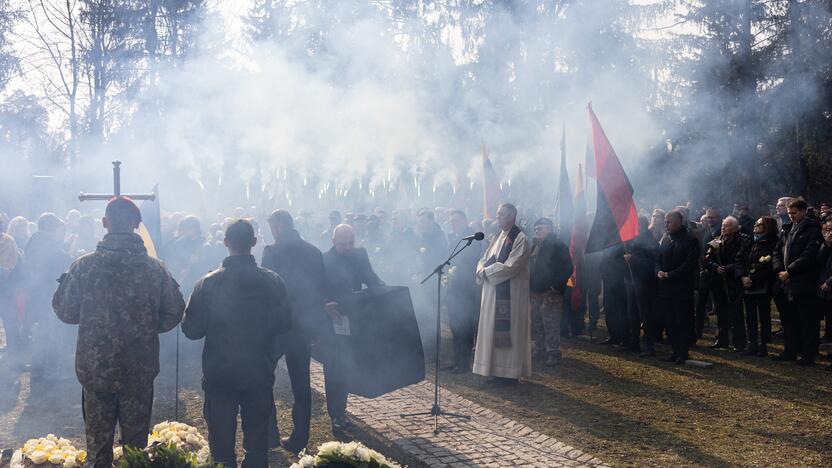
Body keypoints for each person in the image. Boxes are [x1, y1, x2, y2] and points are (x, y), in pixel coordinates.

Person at [52, 198, 185, 468]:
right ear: (137, 226)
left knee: (98, 449)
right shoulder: (154, 269)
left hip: (96, 371)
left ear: (105, 223)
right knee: (136, 451)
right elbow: (174, 312)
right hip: (138, 370)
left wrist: (92, 320)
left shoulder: (83, 267)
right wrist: (146, 326)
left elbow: (65, 311)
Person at [182, 219, 292, 467]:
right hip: (258, 371)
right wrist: (271, 354)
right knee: (256, 448)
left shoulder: (207, 283)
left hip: (220, 374)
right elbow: (285, 324)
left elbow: (192, 330)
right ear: (254, 243)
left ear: (225, 243)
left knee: (221, 450)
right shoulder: (273, 281)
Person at [261, 210, 329, 454]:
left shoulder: (271, 251)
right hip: (303, 327)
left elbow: (267, 291)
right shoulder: (313, 251)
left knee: (263, 378)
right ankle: (300, 438)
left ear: (278, 227)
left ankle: (270, 435)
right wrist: (317, 327)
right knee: (302, 384)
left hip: (278, 327)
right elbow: (322, 291)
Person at [322, 224, 384, 430]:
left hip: (357, 319)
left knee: (349, 366)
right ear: (333, 242)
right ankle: (336, 415)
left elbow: (371, 278)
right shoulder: (324, 259)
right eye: (343, 244)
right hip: (335, 320)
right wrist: (324, 304)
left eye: (351, 243)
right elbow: (316, 288)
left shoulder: (359, 255)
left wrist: (387, 292)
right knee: (334, 369)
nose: (348, 247)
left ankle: (344, 408)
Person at [473, 203, 531, 384]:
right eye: (497, 214)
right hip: (491, 292)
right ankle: (494, 371)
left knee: (509, 332)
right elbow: (484, 258)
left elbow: (512, 266)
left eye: (501, 215)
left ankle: (508, 374)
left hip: (510, 295)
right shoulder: (497, 236)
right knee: (490, 330)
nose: (497, 218)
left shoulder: (520, 238)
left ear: (512, 216)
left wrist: (486, 272)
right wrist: (481, 269)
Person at [773, 198, 823, 365]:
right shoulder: (787, 229)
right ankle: (790, 350)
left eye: (794, 213)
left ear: (803, 211)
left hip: (804, 281)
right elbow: (777, 251)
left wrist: (790, 271)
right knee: (789, 319)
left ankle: (808, 354)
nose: (791, 217)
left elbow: (808, 255)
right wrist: (779, 269)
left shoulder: (813, 229)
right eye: (789, 213)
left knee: (807, 320)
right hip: (785, 282)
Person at [26, 213, 73, 377]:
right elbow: (60, 263)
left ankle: (38, 370)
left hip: (37, 293)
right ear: (50, 227)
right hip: (47, 294)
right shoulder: (46, 243)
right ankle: (50, 371)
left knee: (43, 332)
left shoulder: (35, 241)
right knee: (51, 332)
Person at [655, 210, 700, 364]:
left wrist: (670, 275)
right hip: (665, 288)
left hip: (681, 288)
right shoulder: (665, 239)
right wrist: (659, 271)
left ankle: (683, 352)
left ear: (679, 222)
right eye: (665, 222)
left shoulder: (690, 239)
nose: (666, 224)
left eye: (669, 222)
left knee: (683, 321)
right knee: (670, 321)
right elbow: (657, 258)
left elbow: (689, 265)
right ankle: (674, 350)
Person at [529, 218, 572, 366]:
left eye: (540, 228)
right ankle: (539, 348)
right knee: (536, 322)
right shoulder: (534, 245)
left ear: (550, 229)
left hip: (551, 293)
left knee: (551, 323)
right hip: (535, 291)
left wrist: (555, 286)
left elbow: (568, 268)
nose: (537, 231)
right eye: (535, 229)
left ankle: (553, 352)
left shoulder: (559, 246)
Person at [445, 209, 482, 373]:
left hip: (466, 289)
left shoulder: (473, 238)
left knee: (464, 326)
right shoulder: (454, 238)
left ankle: (464, 363)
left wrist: (457, 271)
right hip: (453, 289)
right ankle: (456, 360)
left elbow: (471, 260)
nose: (453, 224)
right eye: (451, 221)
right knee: (454, 325)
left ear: (465, 221)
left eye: (456, 221)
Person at [703, 216, 748, 350]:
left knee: (736, 313)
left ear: (735, 228)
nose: (723, 227)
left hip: (734, 281)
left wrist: (727, 269)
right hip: (719, 281)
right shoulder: (717, 241)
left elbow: (742, 260)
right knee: (721, 312)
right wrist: (715, 267)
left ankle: (739, 342)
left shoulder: (743, 241)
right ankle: (721, 339)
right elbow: (708, 258)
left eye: (727, 225)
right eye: (723, 225)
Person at [737, 216, 778, 356]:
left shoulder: (772, 243)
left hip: (763, 285)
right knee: (750, 315)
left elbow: (770, 265)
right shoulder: (750, 242)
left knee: (764, 316)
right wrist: (743, 276)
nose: (755, 225)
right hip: (747, 284)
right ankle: (752, 342)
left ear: (767, 227)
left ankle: (764, 344)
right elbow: (740, 259)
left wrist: (753, 278)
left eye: (759, 224)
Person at [624, 216, 657, 355]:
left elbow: (652, 263)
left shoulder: (650, 241)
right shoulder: (632, 239)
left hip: (643, 282)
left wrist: (633, 259)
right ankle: (634, 343)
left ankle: (649, 346)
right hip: (631, 281)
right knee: (632, 314)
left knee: (645, 314)